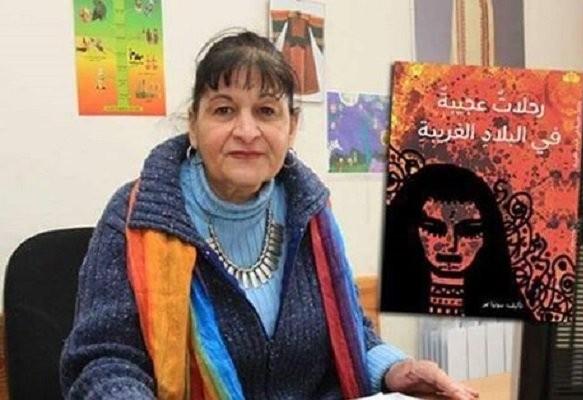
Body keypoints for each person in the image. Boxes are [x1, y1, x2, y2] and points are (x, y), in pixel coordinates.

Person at [60, 30, 478, 399]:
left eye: (266, 111)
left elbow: (348, 334)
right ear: (193, 125)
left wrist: (396, 369)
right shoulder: (136, 216)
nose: (247, 131)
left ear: (291, 127)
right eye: (224, 110)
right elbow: (103, 360)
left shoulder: (311, 212)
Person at [380, 163, 526, 318]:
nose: (451, 244)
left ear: (489, 235)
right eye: (433, 228)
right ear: (410, 231)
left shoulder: (505, 308)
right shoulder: (387, 297)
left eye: (470, 230)